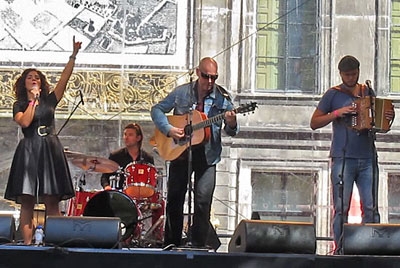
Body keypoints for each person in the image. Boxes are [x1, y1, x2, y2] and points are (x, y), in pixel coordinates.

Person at [310, 55, 395, 253]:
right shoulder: (333, 94)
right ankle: (340, 248)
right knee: (341, 208)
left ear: (358, 72)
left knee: (371, 207)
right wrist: (338, 113)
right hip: (343, 157)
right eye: (347, 75)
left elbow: (378, 123)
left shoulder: (367, 91)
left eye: (354, 74)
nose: (351, 78)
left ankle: (373, 247)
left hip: (367, 157)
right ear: (341, 74)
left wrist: (387, 118)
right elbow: (314, 123)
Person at [151, 57, 239, 248]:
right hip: (180, 154)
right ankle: (171, 244)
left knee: (202, 201)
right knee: (174, 198)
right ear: (198, 73)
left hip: (208, 156)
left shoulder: (222, 98)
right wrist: (169, 129)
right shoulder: (182, 92)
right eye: (206, 76)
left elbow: (232, 130)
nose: (210, 82)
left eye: (214, 77)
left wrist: (232, 123)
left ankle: (199, 245)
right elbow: (157, 109)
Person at [5, 37, 82, 245]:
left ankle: (54, 243)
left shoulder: (50, 100)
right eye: (30, 77)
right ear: (24, 82)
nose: (34, 79)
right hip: (29, 149)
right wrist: (32, 101)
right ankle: (28, 245)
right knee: (27, 200)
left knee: (51, 199)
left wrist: (73, 56)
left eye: (37, 77)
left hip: (49, 147)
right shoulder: (19, 104)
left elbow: (65, 79)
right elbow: (25, 122)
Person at [100, 123, 154, 191]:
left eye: (130, 135)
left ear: (138, 138)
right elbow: (104, 177)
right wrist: (107, 186)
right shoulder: (115, 156)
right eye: (125, 134)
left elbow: (153, 180)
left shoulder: (147, 158)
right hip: (120, 196)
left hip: (142, 195)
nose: (126, 137)